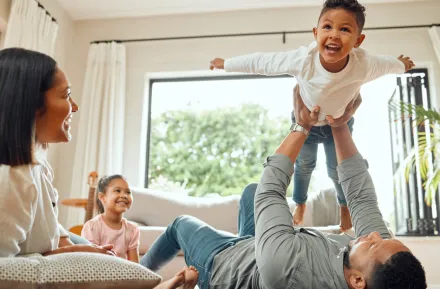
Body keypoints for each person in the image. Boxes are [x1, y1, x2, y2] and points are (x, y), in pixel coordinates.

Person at [140, 89, 426, 289]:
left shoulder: (288, 273)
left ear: (357, 281)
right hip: (258, 252)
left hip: (222, 266)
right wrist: (340, 128)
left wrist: (301, 127)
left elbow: (271, 190)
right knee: (250, 191)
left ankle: (139, 275)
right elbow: (361, 196)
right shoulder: (374, 263)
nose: (374, 235)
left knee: (180, 224)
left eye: (374, 243)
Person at [0, 47, 198, 289]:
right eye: (65, 95)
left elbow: (51, 232)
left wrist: (78, 249)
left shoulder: (37, 168)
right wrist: (71, 257)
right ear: (31, 103)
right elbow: (6, 271)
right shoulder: (10, 178)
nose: (74, 106)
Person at [209, 0, 415, 231]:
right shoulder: (302, 60)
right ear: (316, 33)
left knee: (336, 170)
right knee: (304, 166)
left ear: (358, 40)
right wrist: (226, 64)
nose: (334, 35)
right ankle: (300, 203)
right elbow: (262, 61)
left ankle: (344, 208)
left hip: (336, 125)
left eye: (344, 29)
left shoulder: (364, 64)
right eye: (327, 27)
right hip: (306, 124)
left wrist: (401, 64)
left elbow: (387, 65)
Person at [82, 174, 140, 262]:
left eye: (128, 192)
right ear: (102, 197)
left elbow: (135, 266)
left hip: (124, 274)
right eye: (117, 191)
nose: (124, 195)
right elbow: (90, 262)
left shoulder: (132, 230)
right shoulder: (92, 227)